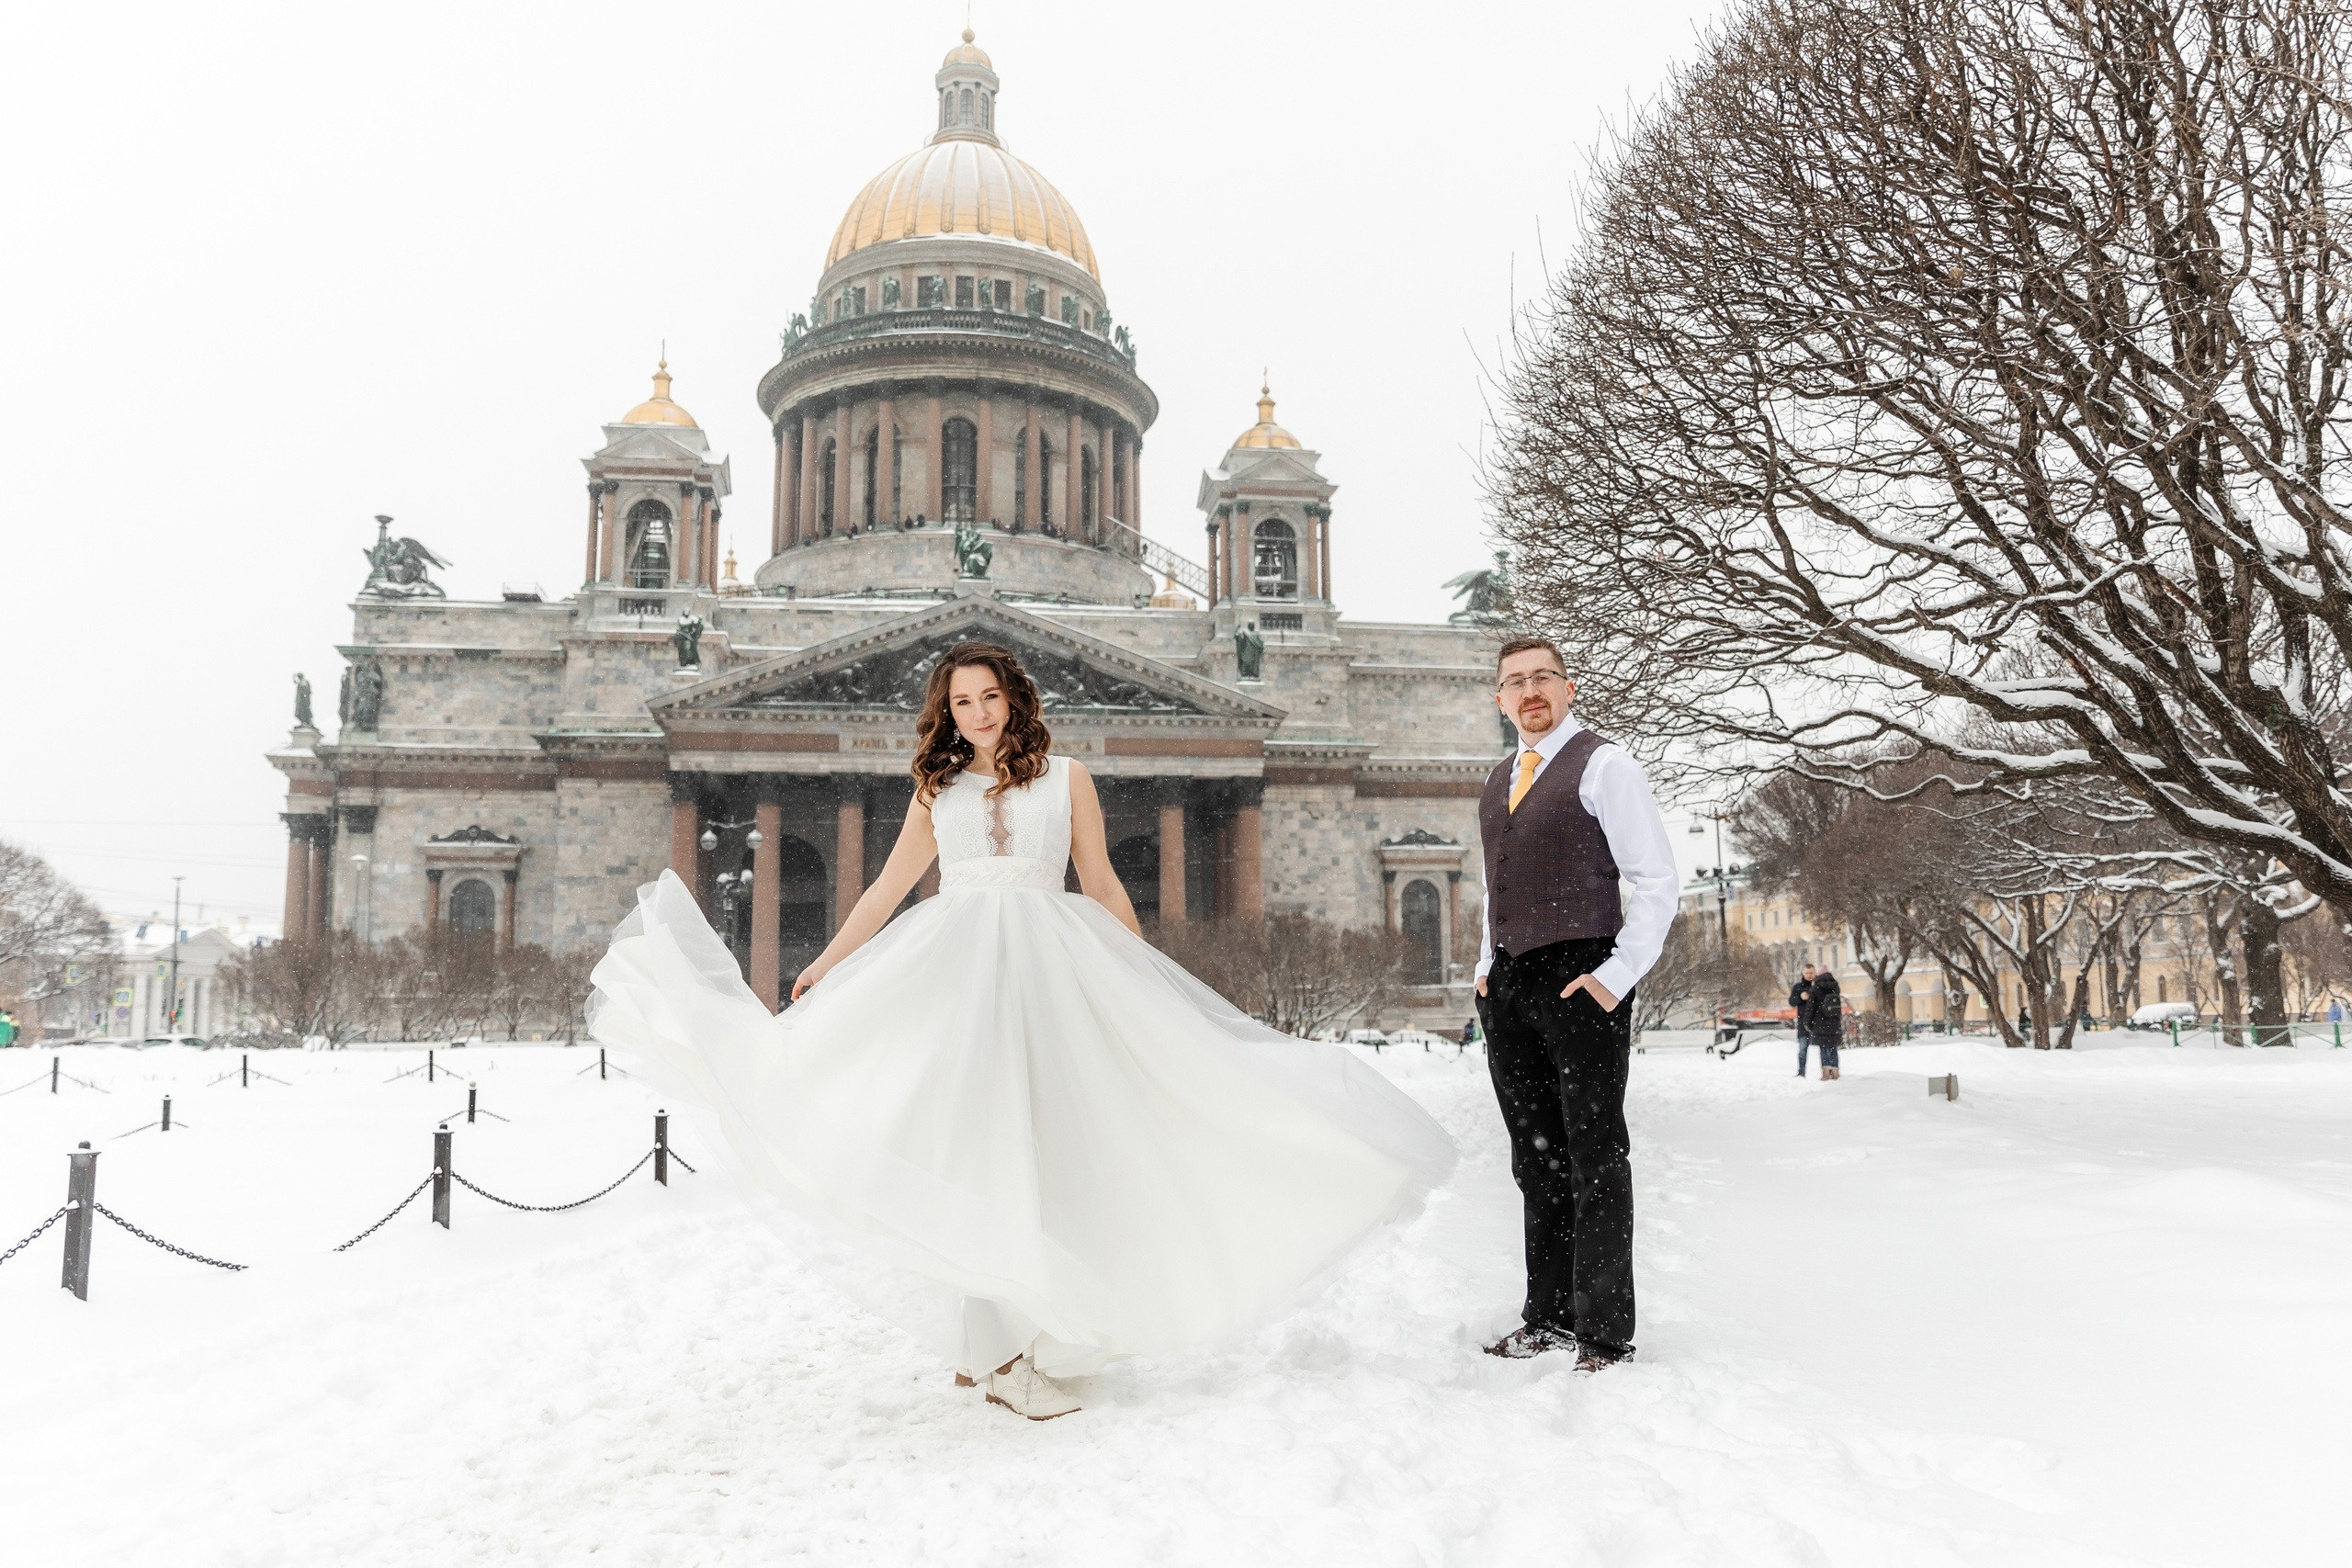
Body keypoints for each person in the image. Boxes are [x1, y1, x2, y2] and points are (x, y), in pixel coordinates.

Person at [589, 642, 1453, 1421]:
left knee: (1036, 1150)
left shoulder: (1069, 777)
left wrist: (1144, 978)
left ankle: (992, 1343)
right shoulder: (935, 789)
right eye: (961, 701)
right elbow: (886, 889)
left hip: (1050, 969)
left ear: (1015, 698)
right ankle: (1002, 1357)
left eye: (989, 696)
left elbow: (1101, 883)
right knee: (975, 1149)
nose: (977, 712)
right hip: (956, 977)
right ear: (946, 712)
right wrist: (828, 961)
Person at [1474, 635, 1679, 1374]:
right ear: (1500, 699)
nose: (1530, 691)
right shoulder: (1499, 778)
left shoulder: (1605, 765)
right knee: (1536, 1161)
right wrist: (1484, 969)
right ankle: (1550, 1314)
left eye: (1543, 677)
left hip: (1580, 976)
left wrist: (1615, 975)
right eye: (1515, 681)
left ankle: (1604, 1332)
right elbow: (1496, 887)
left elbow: (1656, 881)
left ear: (1568, 689)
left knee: (1595, 1157)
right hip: (1509, 984)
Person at [1809, 968, 1844, 1079]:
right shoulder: (1835, 986)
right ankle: (1835, 1072)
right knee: (1833, 1047)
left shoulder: (1816, 988)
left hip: (1820, 1023)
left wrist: (1808, 1022)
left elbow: (1810, 1008)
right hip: (1834, 1022)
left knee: (1823, 1048)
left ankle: (1825, 1073)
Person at [1791, 962, 1817, 1077]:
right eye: (1807, 973)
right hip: (1803, 1023)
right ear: (1803, 973)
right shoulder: (1798, 987)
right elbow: (1792, 1002)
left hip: (1818, 1022)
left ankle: (1827, 1072)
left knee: (1823, 1049)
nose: (1809, 975)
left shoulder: (1818, 985)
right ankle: (1801, 1072)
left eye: (1811, 973)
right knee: (1802, 1049)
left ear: (1815, 972)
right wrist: (1800, 998)